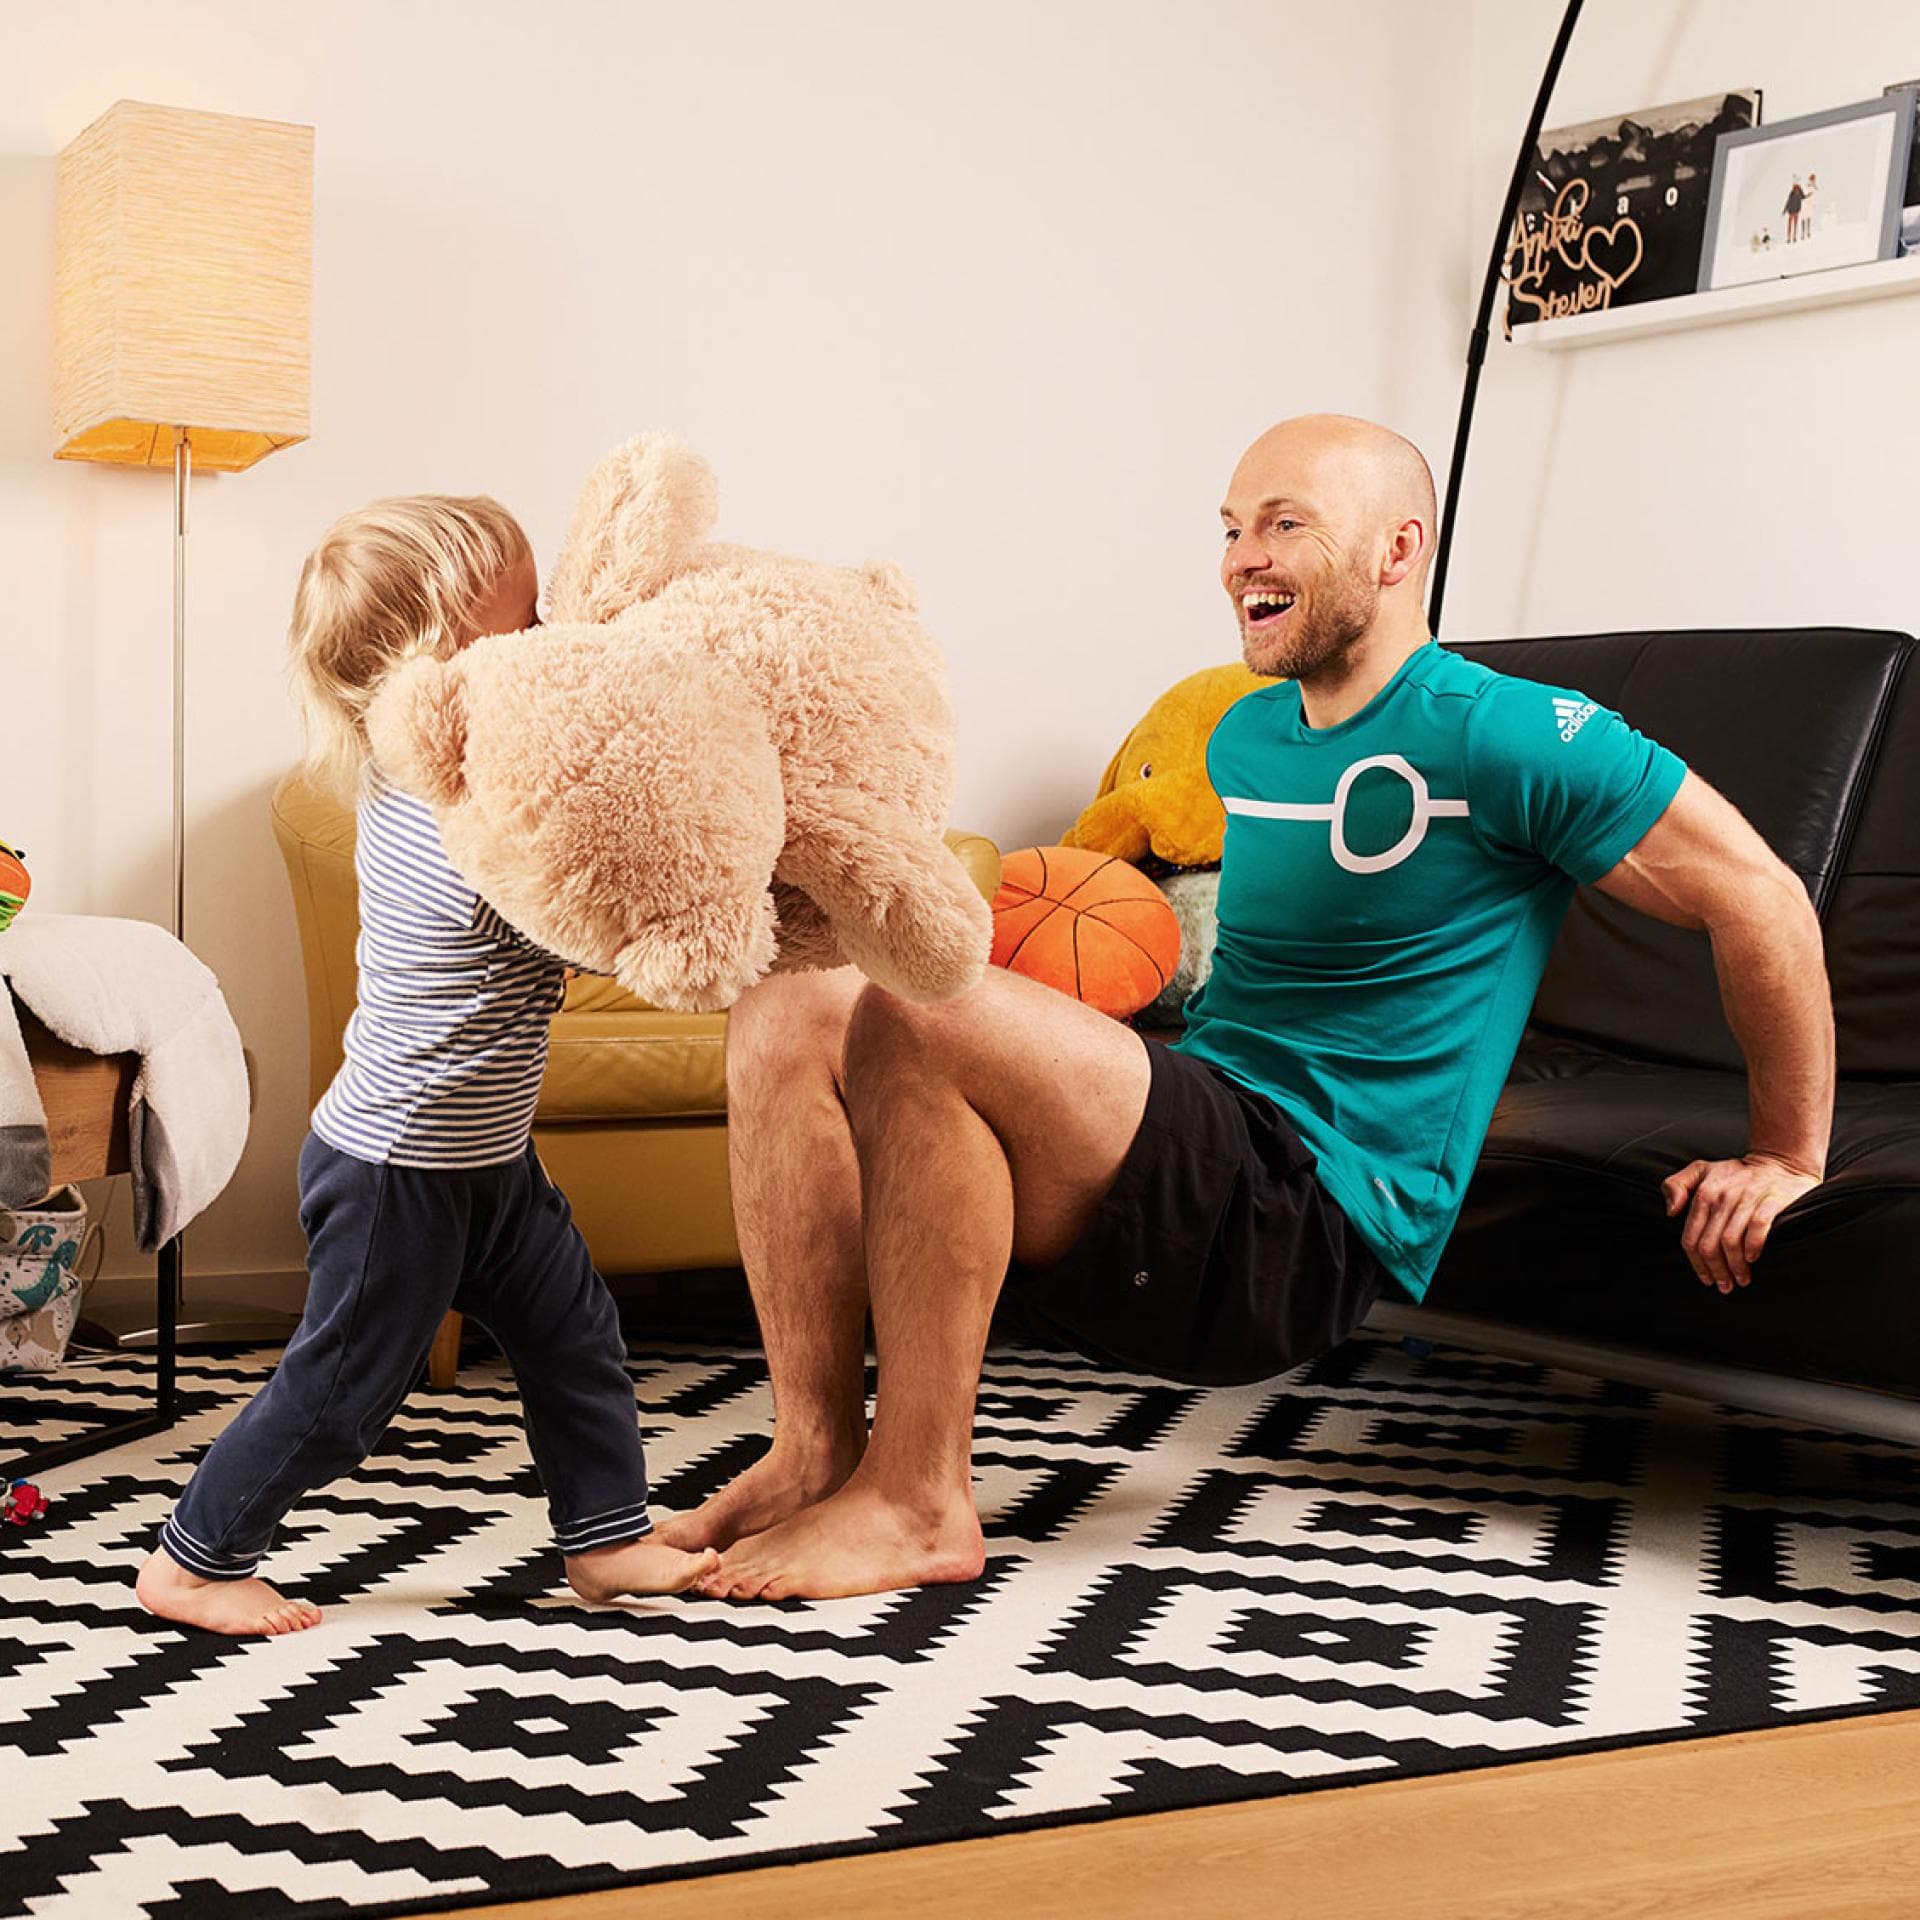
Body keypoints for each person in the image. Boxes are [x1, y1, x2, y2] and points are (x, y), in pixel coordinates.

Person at [662, 414, 1835, 1607]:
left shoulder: (1507, 730)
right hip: (1199, 1154)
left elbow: (1763, 895)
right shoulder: (1248, 732)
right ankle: (814, 1450)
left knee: (922, 1009)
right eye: (1230, 528)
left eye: (1285, 524)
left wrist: (1787, 1153)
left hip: (1309, 1215)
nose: (1240, 559)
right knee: (793, 999)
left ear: (1396, 549)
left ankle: (918, 1500)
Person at [137, 495, 719, 1636]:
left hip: (485, 1154)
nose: (548, 636)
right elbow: (556, 923)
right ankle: (197, 1558)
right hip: (399, 1164)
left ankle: (605, 1541)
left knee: (573, 1333)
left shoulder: (461, 776)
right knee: (347, 1390)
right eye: (524, 625)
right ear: (436, 671)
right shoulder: (449, 812)